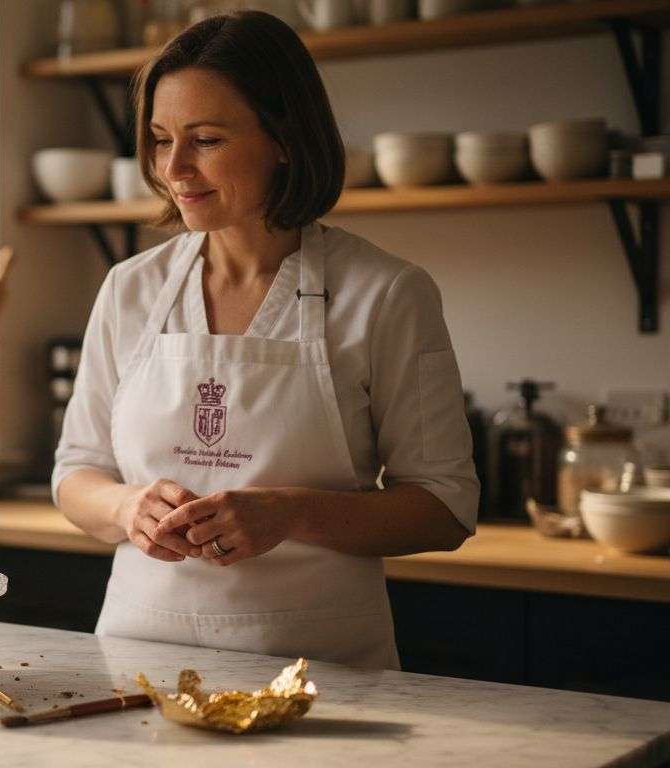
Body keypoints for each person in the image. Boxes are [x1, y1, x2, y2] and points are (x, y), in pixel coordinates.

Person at [52, 11, 478, 669]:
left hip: (319, 675)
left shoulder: (387, 294)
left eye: (208, 139)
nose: (175, 168)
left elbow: (444, 508)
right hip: (139, 662)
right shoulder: (128, 290)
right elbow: (75, 472)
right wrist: (125, 505)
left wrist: (291, 514)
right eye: (162, 139)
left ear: (284, 139)